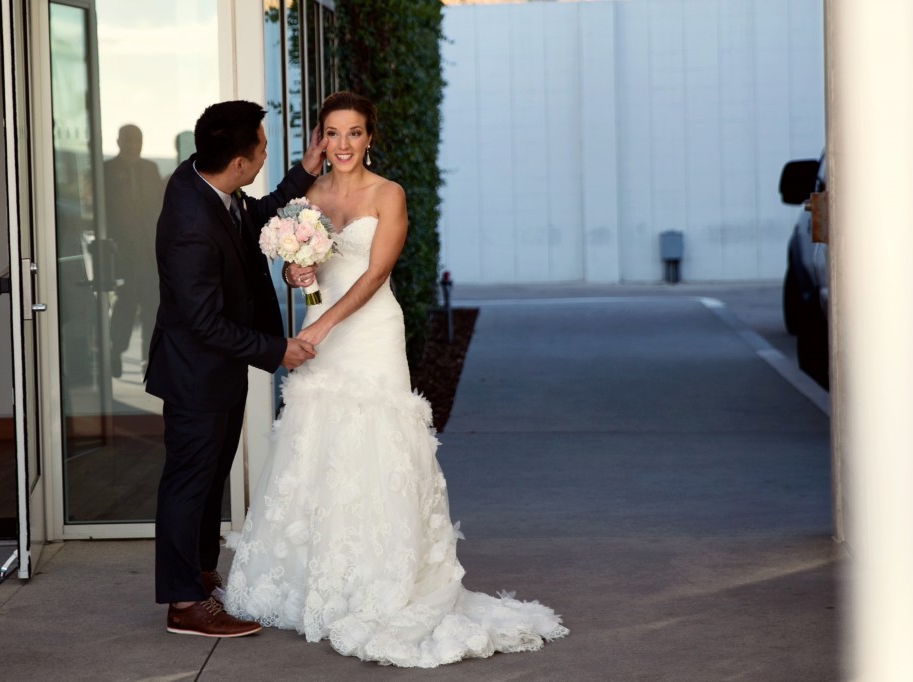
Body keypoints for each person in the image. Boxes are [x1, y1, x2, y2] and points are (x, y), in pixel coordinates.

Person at [224, 92, 569, 666]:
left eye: (354, 133)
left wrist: (323, 326)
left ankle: (383, 579)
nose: (342, 144)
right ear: (319, 138)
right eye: (332, 133)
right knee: (319, 442)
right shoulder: (307, 195)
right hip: (318, 328)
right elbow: (303, 276)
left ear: (369, 137)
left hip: (368, 332)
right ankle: (320, 578)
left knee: (376, 443)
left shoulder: (389, 195)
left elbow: (375, 274)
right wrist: (296, 272)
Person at [145, 100, 325, 637]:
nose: (266, 153)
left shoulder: (210, 185)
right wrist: (275, 351)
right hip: (195, 374)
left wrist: (305, 171)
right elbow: (203, 322)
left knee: (207, 480)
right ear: (240, 163)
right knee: (187, 483)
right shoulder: (190, 223)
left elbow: (259, 215)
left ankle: (201, 576)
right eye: (263, 148)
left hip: (216, 373)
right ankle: (183, 605)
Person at [103, 124, 164, 378]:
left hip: (149, 252)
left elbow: (160, 207)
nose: (132, 145)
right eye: (128, 140)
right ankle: (116, 351)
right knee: (125, 306)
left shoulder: (151, 169)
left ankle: (148, 361)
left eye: (136, 140)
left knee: (152, 305)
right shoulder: (106, 171)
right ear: (118, 141)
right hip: (121, 253)